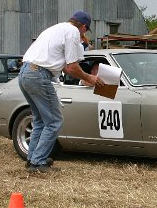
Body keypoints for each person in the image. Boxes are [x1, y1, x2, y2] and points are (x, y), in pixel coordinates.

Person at [18, 11, 105, 173]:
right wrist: (90, 78)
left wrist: (81, 47)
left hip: (26, 72)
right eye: (86, 31)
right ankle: (38, 162)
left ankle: (32, 159)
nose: (84, 34)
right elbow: (72, 67)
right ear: (83, 27)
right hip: (39, 75)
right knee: (54, 121)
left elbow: (65, 66)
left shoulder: (57, 28)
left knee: (40, 120)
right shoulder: (72, 32)